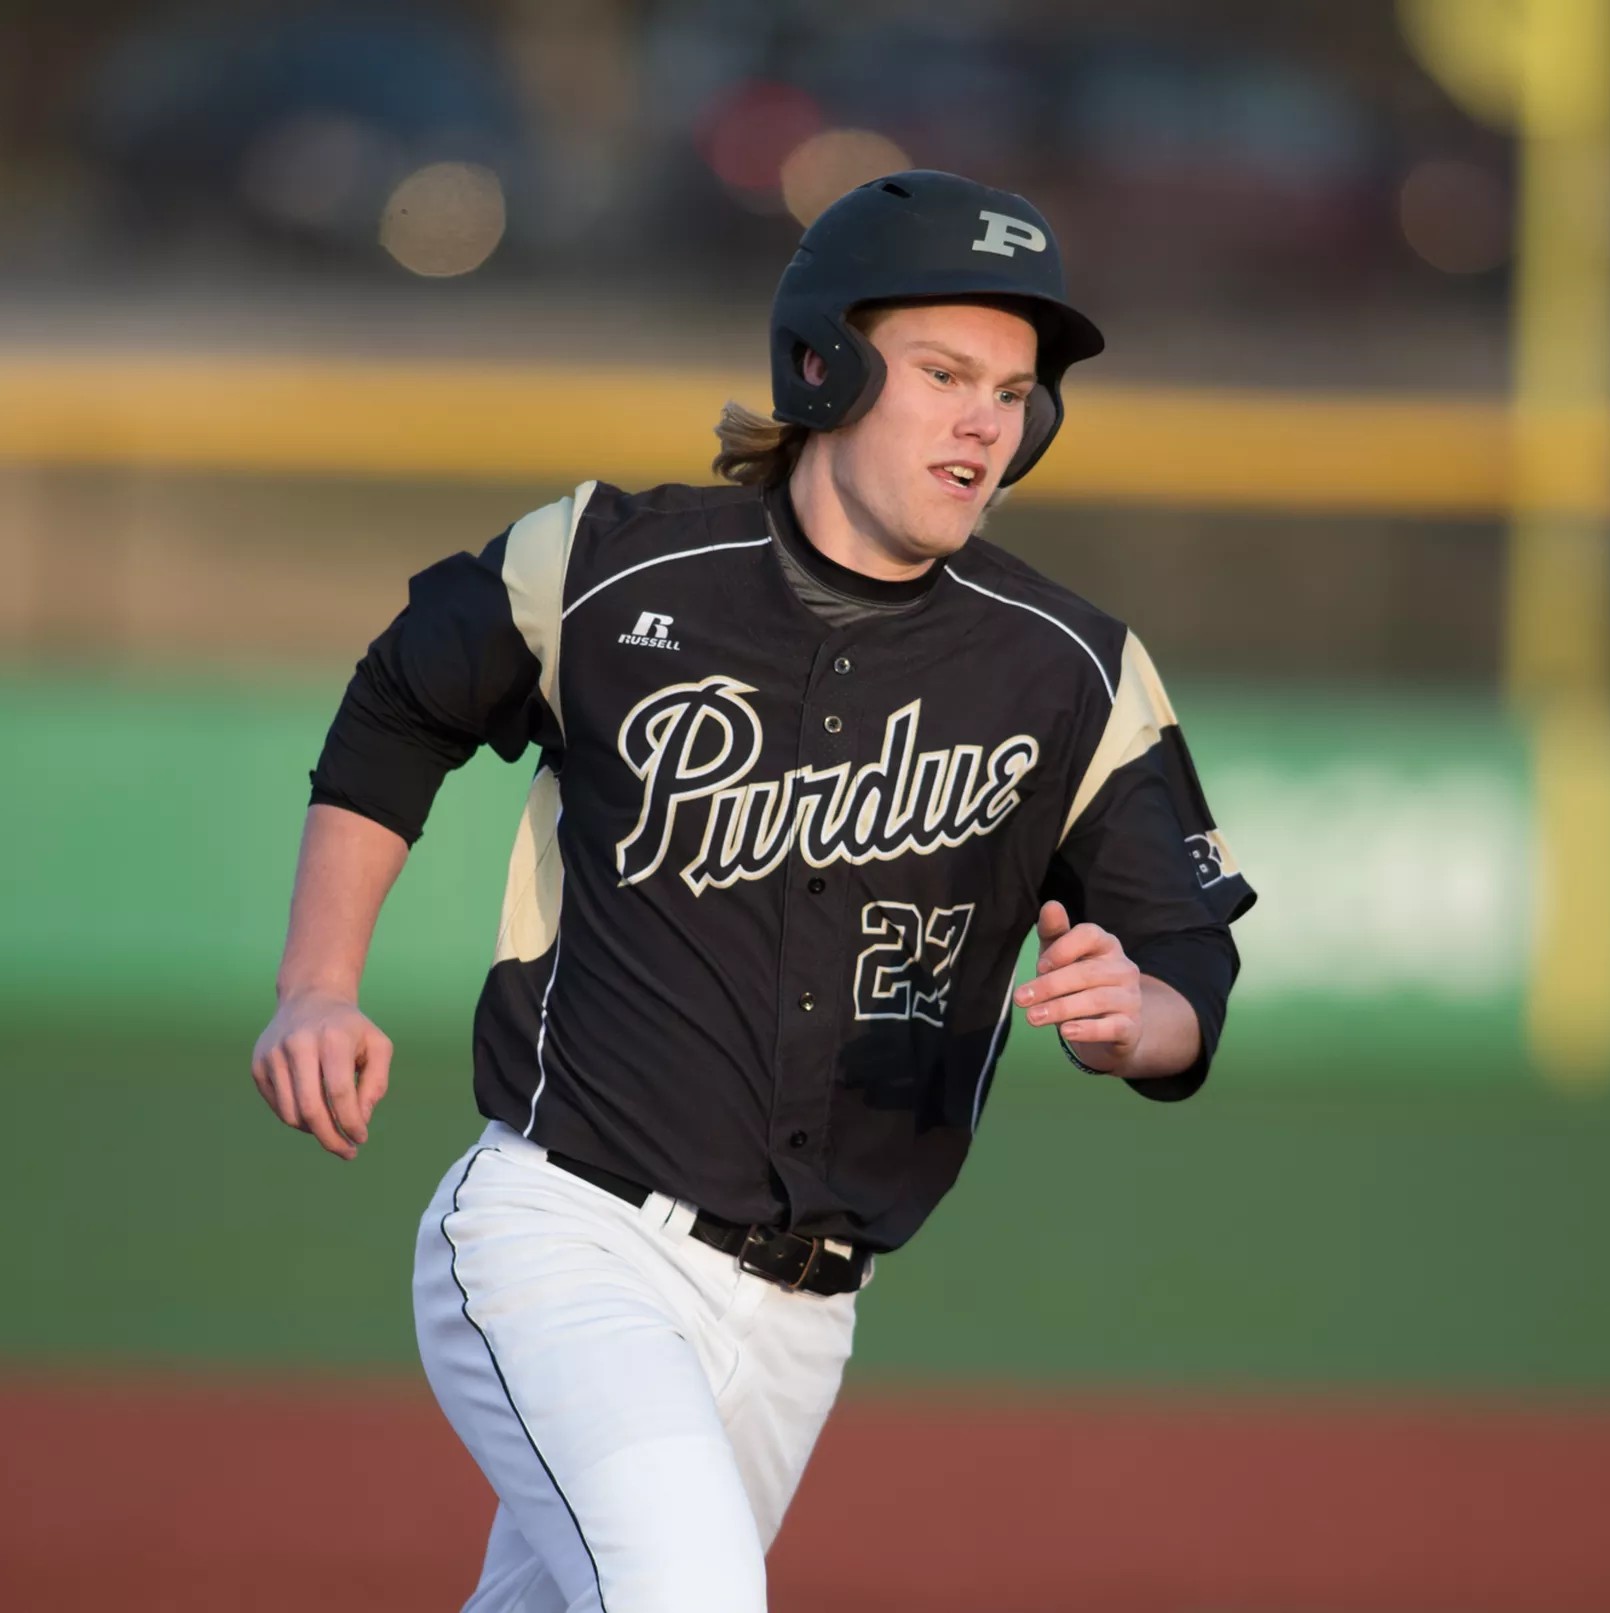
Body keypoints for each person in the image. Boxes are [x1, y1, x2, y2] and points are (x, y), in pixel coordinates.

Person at [250, 170, 1253, 1613]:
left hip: (803, 1318)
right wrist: (315, 983)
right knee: (688, 1595)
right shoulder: (605, 568)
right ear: (823, 364)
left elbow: (1185, 957)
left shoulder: (1070, 668)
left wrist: (1142, 1014)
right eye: (945, 372)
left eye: (1016, 391)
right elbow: (403, 698)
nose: (987, 419)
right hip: (567, 1234)